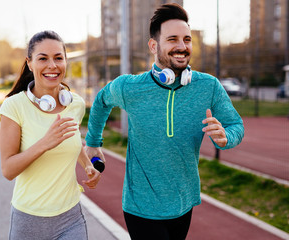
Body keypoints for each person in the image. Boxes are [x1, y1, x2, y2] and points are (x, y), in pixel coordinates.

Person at [85, 3, 244, 240]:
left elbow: (236, 126)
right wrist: (93, 142)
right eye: (172, 39)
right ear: (153, 45)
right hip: (141, 206)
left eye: (187, 39)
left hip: (184, 203)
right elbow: (101, 101)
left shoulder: (208, 86)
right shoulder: (130, 87)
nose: (182, 46)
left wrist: (225, 137)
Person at [0, 30, 101, 240]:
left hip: (70, 217)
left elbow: (71, 139)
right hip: (29, 220)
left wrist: (87, 164)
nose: (52, 65)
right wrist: (44, 143)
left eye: (58, 58)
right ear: (29, 63)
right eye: (43, 58)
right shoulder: (14, 106)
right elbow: (8, 170)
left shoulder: (75, 104)